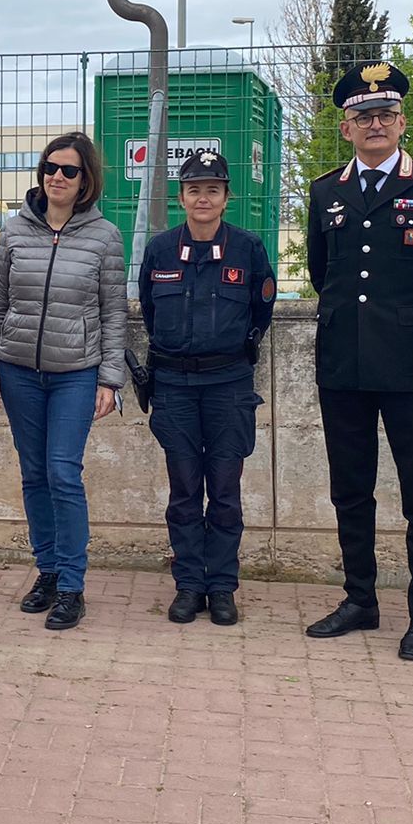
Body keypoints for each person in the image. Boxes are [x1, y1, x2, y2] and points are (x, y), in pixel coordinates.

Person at [303, 61, 413, 659]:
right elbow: (322, 272)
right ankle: (360, 599)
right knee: (351, 489)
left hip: (410, 364)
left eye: (385, 114)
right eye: (363, 116)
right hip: (343, 362)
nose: (375, 123)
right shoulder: (326, 191)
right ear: (346, 128)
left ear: (401, 122)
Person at [0, 132, 127, 631]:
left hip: (75, 374)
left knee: (63, 473)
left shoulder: (105, 236)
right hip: (18, 370)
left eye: (69, 170)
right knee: (34, 474)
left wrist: (110, 379)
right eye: (50, 167)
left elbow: (114, 314)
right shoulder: (15, 231)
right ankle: (48, 571)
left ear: (86, 180)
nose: (57, 177)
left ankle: (72, 586)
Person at [136, 149, 275, 627]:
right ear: (181, 197)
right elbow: (150, 310)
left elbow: (261, 311)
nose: (203, 198)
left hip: (228, 385)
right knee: (184, 490)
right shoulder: (160, 249)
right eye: (194, 190)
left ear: (226, 197)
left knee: (225, 491)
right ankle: (189, 584)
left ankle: (222, 587)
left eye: (212, 190)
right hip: (174, 383)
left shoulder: (248, 248)